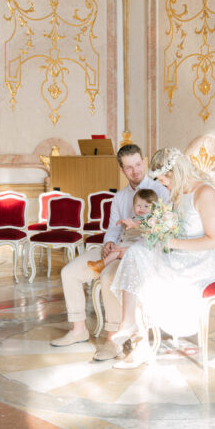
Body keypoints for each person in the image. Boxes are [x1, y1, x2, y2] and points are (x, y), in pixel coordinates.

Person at [50, 144, 169, 362]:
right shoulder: (120, 197)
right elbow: (113, 229)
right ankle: (78, 330)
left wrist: (128, 250)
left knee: (108, 277)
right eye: (129, 167)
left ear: (143, 162)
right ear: (122, 170)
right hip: (117, 245)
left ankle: (113, 338)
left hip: (140, 249)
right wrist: (108, 244)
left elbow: (160, 233)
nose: (135, 171)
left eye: (138, 164)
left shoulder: (160, 192)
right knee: (69, 272)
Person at [110, 147, 215, 368]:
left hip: (200, 261)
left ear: (175, 173)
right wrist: (152, 231)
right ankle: (131, 326)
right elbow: (170, 229)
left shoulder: (205, 193)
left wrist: (173, 243)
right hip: (177, 253)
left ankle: (137, 338)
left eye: (164, 181)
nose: (164, 186)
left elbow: (214, 240)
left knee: (146, 275)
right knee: (135, 254)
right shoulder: (179, 192)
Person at [87, 189, 158, 274]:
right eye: (138, 205)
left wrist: (133, 224)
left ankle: (102, 264)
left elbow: (143, 226)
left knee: (116, 251)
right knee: (114, 249)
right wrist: (124, 223)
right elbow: (129, 228)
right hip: (127, 242)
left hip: (137, 245)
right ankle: (103, 263)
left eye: (146, 206)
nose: (141, 208)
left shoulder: (149, 219)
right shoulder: (135, 217)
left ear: (153, 208)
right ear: (133, 205)